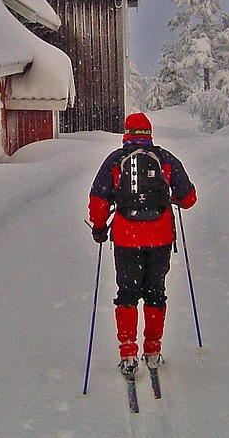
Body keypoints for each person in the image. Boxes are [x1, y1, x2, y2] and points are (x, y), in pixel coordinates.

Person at [88, 112, 197, 376]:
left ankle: (127, 353)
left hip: (126, 239)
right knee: (155, 292)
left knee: (126, 293)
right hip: (160, 239)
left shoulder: (115, 161)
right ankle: (153, 350)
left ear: (126, 134)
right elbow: (189, 198)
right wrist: (170, 199)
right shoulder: (165, 159)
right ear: (149, 134)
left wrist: (100, 229)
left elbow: (98, 200)